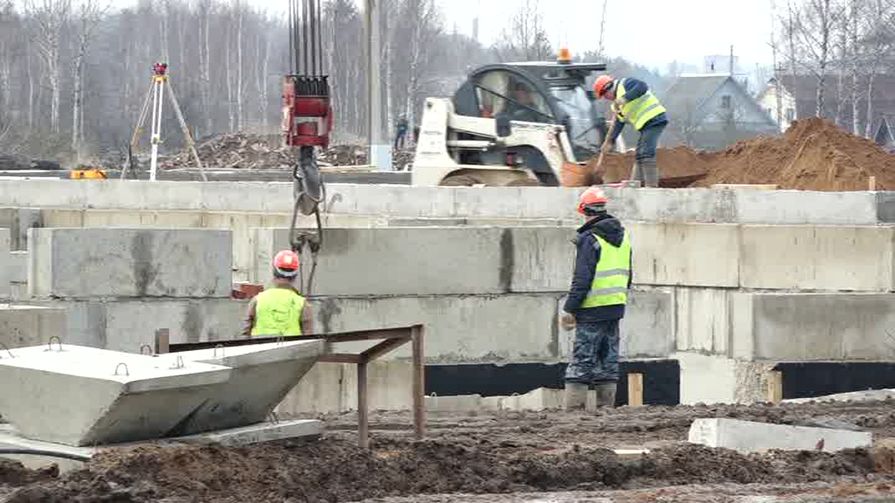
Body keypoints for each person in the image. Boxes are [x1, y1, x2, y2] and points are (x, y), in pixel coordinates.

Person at [560, 187, 632, 410]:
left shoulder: (589, 239)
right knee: (608, 361)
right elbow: (629, 274)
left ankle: (573, 412)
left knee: (582, 361)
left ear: (583, 210)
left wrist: (570, 308)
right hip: (615, 306)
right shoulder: (624, 236)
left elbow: (582, 279)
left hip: (591, 309)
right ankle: (606, 409)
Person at [593, 74, 668, 187]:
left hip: (655, 119)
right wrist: (610, 141)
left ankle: (651, 187)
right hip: (645, 125)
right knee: (639, 155)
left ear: (608, 89)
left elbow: (642, 87)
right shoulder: (617, 106)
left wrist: (624, 98)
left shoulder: (625, 84)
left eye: (604, 95)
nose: (606, 98)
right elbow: (618, 123)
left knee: (646, 153)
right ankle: (633, 185)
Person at [243, 250, 314, 337]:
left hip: (261, 349)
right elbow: (308, 339)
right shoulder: (302, 304)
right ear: (295, 275)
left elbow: (245, 335)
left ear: (274, 272)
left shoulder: (257, 300)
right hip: (292, 350)